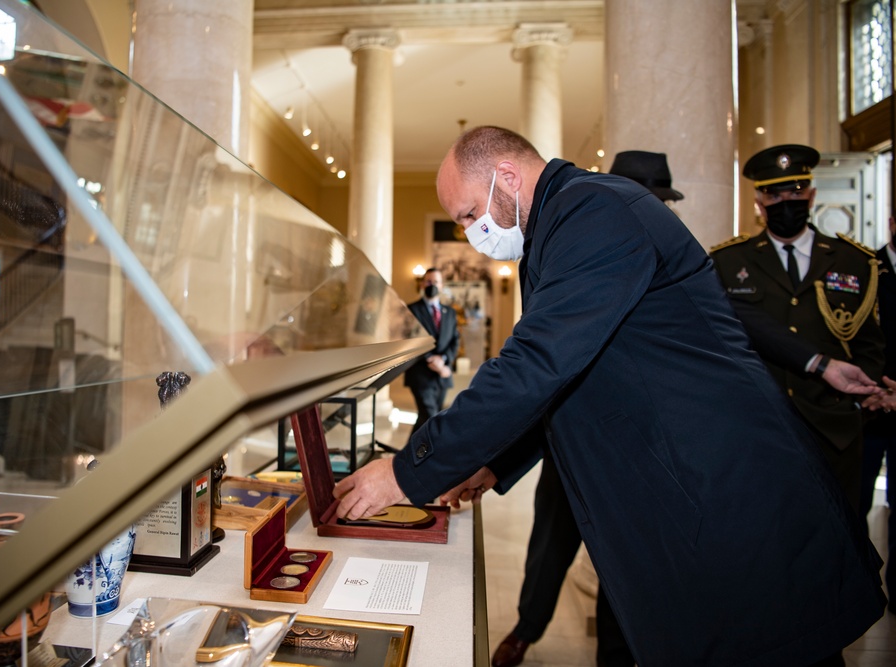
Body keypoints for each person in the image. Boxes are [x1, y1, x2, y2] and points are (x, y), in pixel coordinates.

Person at [334, 126, 886, 666]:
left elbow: (537, 363)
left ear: (507, 175)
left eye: (469, 214)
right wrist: (493, 462)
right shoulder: (557, 226)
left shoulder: (593, 211)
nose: (470, 232)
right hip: (690, 489)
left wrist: (407, 470)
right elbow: (574, 377)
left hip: (728, 497)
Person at [493, 150, 684, 667]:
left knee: (630, 574)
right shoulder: (586, 252)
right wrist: (496, 462)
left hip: (643, 457)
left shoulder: (670, 265)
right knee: (550, 547)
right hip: (573, 445)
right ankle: (526, 629)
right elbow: (547, 370)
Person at [709, 144, 886, 514]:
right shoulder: (728, 262)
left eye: (795, 191)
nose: (786, 202)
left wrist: (855, 406)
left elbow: (869, 345)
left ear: (812, 195)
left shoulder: (855, 261)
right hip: (759, 428)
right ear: (759, 202)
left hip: (834, 429)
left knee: (842, 533)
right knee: (768, 533)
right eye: (774, 195)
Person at [858, 215, 896, 614]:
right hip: (867, 410)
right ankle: (858, 587)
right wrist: (876, 389)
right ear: (892, 224)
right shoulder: (865, 267)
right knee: (855, 503)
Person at [404, 267, 460, 434]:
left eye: (436, 282)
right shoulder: (411, 310)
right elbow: (409, 340)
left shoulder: (450, 312)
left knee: (424, 419)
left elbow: (455, 340)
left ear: (441, 285)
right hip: (420, 374)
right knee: (432, 417)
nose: (432, 285)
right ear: (422, 284)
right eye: (428, 281)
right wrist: (431, 359)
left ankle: (408, 450)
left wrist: (443, 360)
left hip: (442, 376)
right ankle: (441, 451)